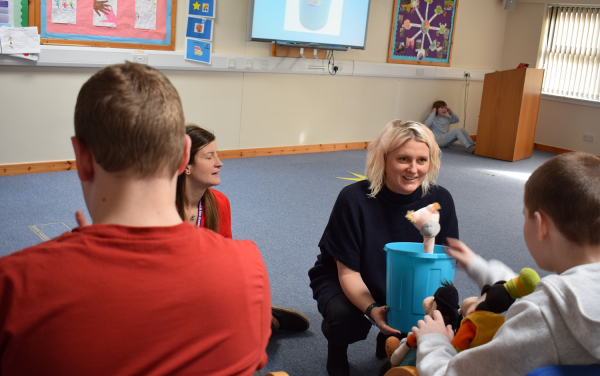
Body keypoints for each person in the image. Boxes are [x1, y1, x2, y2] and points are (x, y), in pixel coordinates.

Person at [0, 63, 272, 375]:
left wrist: (63, 268)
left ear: (82, 158)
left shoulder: (14, 287)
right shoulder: (249, 268)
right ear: (184, 155)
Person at [412, 151, 600, 376]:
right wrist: (482, 269)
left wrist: (435, 341)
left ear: (541, 226)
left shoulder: (542, 315)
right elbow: (521, 291)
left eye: (525, 215)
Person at [308, 120, 460, 376]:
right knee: (345, 318)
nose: (413, 169)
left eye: (422, 160)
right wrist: (371, 309)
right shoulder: (354, 199)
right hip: (349, 277)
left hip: (405, 281)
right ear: (385, 159)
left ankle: (394, 340)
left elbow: (443, 265)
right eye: (403, 159)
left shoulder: (439, 199)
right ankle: (337, 349)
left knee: (441, 313)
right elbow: (348, 272)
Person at [176, 124, 310, 333]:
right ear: (186, 166)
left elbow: (224, 257)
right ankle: (263, 318)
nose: (219, 163)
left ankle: (262, 318)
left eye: (217, 155)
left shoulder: (219, 203)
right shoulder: (161, 209)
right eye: (209, 157)